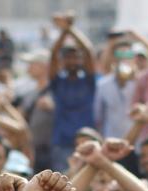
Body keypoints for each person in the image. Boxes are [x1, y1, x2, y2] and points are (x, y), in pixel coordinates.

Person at [48, 13, 97, 171]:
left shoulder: (88, 81)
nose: (72, 61)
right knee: (64, 185)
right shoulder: (58, 81)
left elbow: (88, 51)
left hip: (88, 141)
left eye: (76, 58)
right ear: (63, 61)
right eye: (68, 58)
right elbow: (53, 55)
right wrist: (64, 31)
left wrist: (70, 29)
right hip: (63, 143)